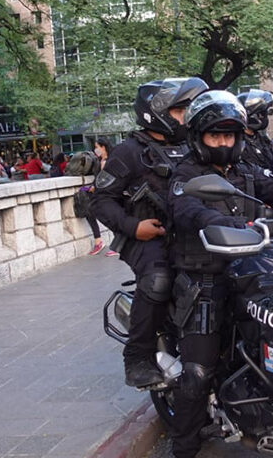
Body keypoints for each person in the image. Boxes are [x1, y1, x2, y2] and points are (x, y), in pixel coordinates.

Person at [169, 91, 273, 458]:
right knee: (197, 371)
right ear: (198, 137)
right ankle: (184, 447)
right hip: (206, 278)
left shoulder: (245, 170)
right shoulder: (186, 173)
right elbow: (188, 209)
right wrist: (224, 223)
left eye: (229, 136)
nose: (223, 143)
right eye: (215, 136)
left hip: (252, 270)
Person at [92, 76, 208, 388]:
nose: (186, 117)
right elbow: (100, 200)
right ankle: (137, 357)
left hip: (189, 232)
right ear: (155, 113)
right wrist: (134, 227)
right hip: (145, 237)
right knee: (159, 279)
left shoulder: (192, 147)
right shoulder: (129, 152)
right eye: (179, 111)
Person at [82, 137, 113, 256]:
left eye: (97, 147)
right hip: (102, 194)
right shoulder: (101, 160)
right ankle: (99, 241)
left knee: (107, 218)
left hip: (106, 196)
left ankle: (111, 244)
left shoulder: (106, 162)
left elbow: (104, 180)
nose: (96, 150)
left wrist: (93, 188)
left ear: (103, 147)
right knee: (92, 214)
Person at [236, 89, 273, 170]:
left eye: (264, 113)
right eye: (260, 114)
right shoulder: (239, 144)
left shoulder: (261, 137)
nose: (263, 117)